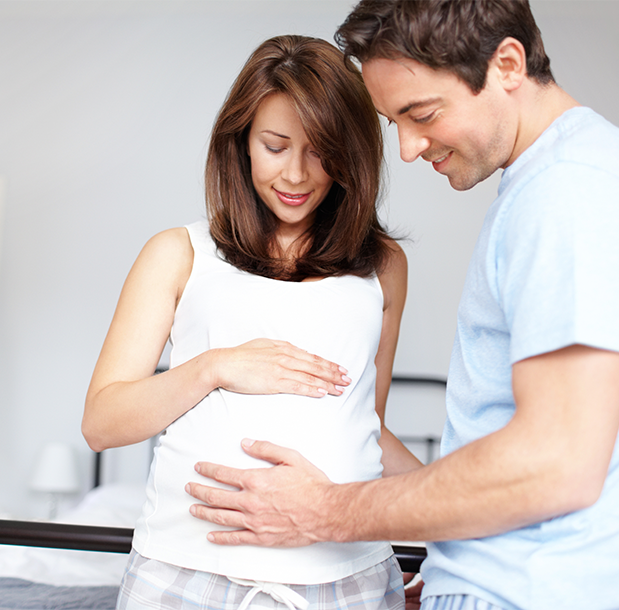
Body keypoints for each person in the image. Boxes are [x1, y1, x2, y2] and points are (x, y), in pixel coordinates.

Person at [184, 2, 619, 610]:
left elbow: (556, 463)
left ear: (508, 65)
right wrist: (456, 563)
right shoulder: (565, 180)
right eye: (393, 121)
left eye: (421, 114)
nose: (407, 147)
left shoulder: (573, 193)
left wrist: (323, 510)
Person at [82, 34, 423, 610]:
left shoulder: (383, 265)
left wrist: (456, 522)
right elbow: (101, 424)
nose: (296, 174)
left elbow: (368, 425)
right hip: (189, 572)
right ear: (240, 142)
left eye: (321, 151)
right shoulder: (177, 253)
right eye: (275, 146)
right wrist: (215, 367)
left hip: (346, 576)